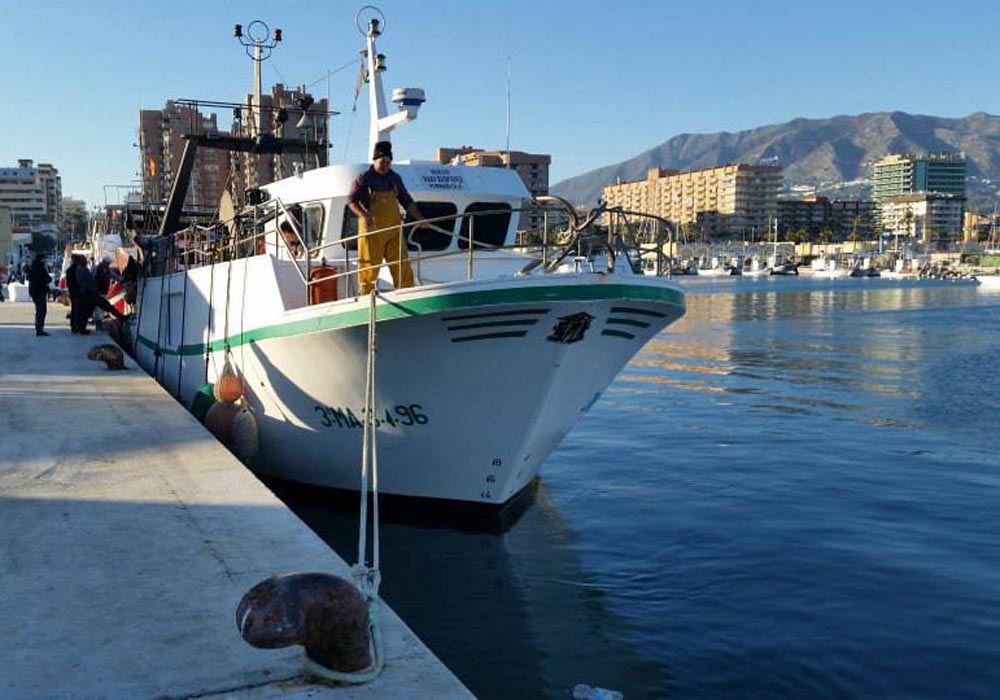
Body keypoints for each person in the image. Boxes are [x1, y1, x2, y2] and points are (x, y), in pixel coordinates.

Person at [347, 140, 426, 294]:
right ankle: (365, 298)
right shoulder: (364, 179)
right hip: (372, 232)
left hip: (394, 231)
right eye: (382, 161)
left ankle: (406, 294)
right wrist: (365, 216)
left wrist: (420, 218)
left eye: (388, 162)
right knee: (368, 268)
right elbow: (351, 200)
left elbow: (406, 200)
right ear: (375, 160)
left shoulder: (395, 179)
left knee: (402, 265)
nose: (385, 165)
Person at [27, 254, 52, 336]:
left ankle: (39, 328)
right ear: (41, 259)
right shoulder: (40, 268)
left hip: (35, 292)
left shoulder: (33, 267)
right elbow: (47, 278)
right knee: (41, 310)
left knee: (39, 310)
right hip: (40, 291)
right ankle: (39, 329)